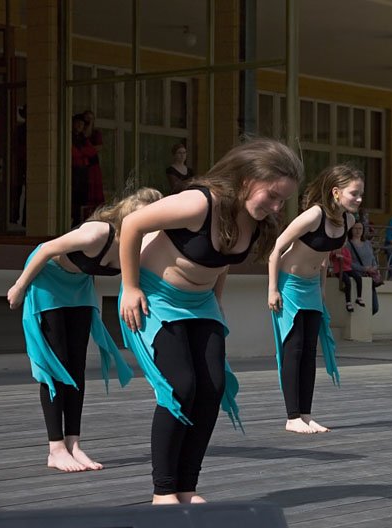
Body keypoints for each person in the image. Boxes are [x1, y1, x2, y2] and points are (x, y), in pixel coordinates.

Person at [118, 138, 301, 504]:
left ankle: (187, 486)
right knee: (181, 388)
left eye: (283, 200)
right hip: (156, 299)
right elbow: (133, 224)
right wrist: (130, 286)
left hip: (201, 304)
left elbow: (223, 258)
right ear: (248, 179)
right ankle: (163, 491)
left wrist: (216, 301)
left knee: (212, 388)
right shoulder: (199, 202)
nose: (277, 206)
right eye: (273, 196)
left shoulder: (253, 218)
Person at [7, 187, 162, 473]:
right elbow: (46, 249)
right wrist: (19, 286)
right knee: (56, 364)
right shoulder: (97, 234)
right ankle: (55, 449)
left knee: (77, 365)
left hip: (78, 287)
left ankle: (73, 443)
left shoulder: (137, 247)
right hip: (48, 281)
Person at [269, 164, 364, 434]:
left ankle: (306, 414)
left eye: (360, 194)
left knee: (310, 351)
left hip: (311, 287)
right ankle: (292, 416)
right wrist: (272, 289)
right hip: (289, 285)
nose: (358, 199)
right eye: (354, 193)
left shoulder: (348, 221)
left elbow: (324, 258)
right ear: (336, 192)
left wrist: (322, 289)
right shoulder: (314, 215)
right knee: (294, 347)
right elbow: (277, 249)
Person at [348, 221, 381, 315]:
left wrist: (374, 267)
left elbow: (372, 257)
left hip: (370, 277)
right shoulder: (348, 244)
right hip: (358, 277)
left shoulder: (367, 243)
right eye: (355, 228)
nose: (358, 231)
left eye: (360, 229)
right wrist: (363, 269)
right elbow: (349, 262)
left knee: (375, 307)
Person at [82, 110, 105, 215]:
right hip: (83, 164)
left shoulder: (96, 133)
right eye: (86, 118)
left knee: (95, 189)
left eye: (91, 119)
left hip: (93, 164)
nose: (88, 121)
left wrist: (87, 150)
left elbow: (99, 147)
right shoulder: (80, 133)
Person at [330, 243, 364, 312]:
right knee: (347, 281)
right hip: (338, 270)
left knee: (358, 277)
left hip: (347, 269)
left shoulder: (346, 250)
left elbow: (349, 261)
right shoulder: (334, 250)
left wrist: (342, 257)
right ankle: (348, 302)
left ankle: (359, 297)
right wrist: (334, 253)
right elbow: (330, 258)